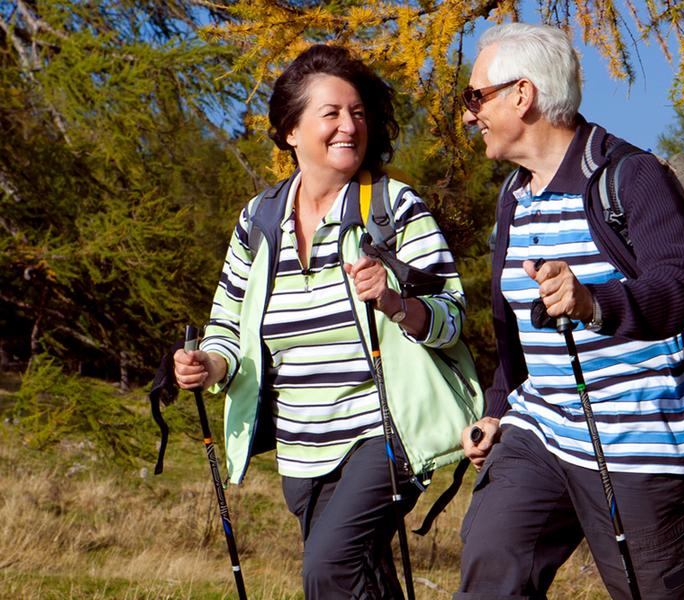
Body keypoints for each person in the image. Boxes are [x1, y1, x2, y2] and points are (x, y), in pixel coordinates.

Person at [173, 44, 473, 599]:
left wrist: (395, 302)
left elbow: (452, 318)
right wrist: (207, 365)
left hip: (386, 435)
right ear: (290, 130)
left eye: (357, 113)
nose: (348, 126)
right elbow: (228, 329)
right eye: (330, 114)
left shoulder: (393, 208)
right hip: (301, 446)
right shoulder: (259, 220)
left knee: (327, 571)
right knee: (361, 580)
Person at [456, 23, 684, 599]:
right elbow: (519, 332)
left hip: (638, 437)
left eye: (476, 97)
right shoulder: (514, 196)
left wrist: (594, 301)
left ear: (521, 96)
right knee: (490, 573)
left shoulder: (628, 175)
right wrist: (499, 408)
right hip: (540, 429)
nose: (469, 115)